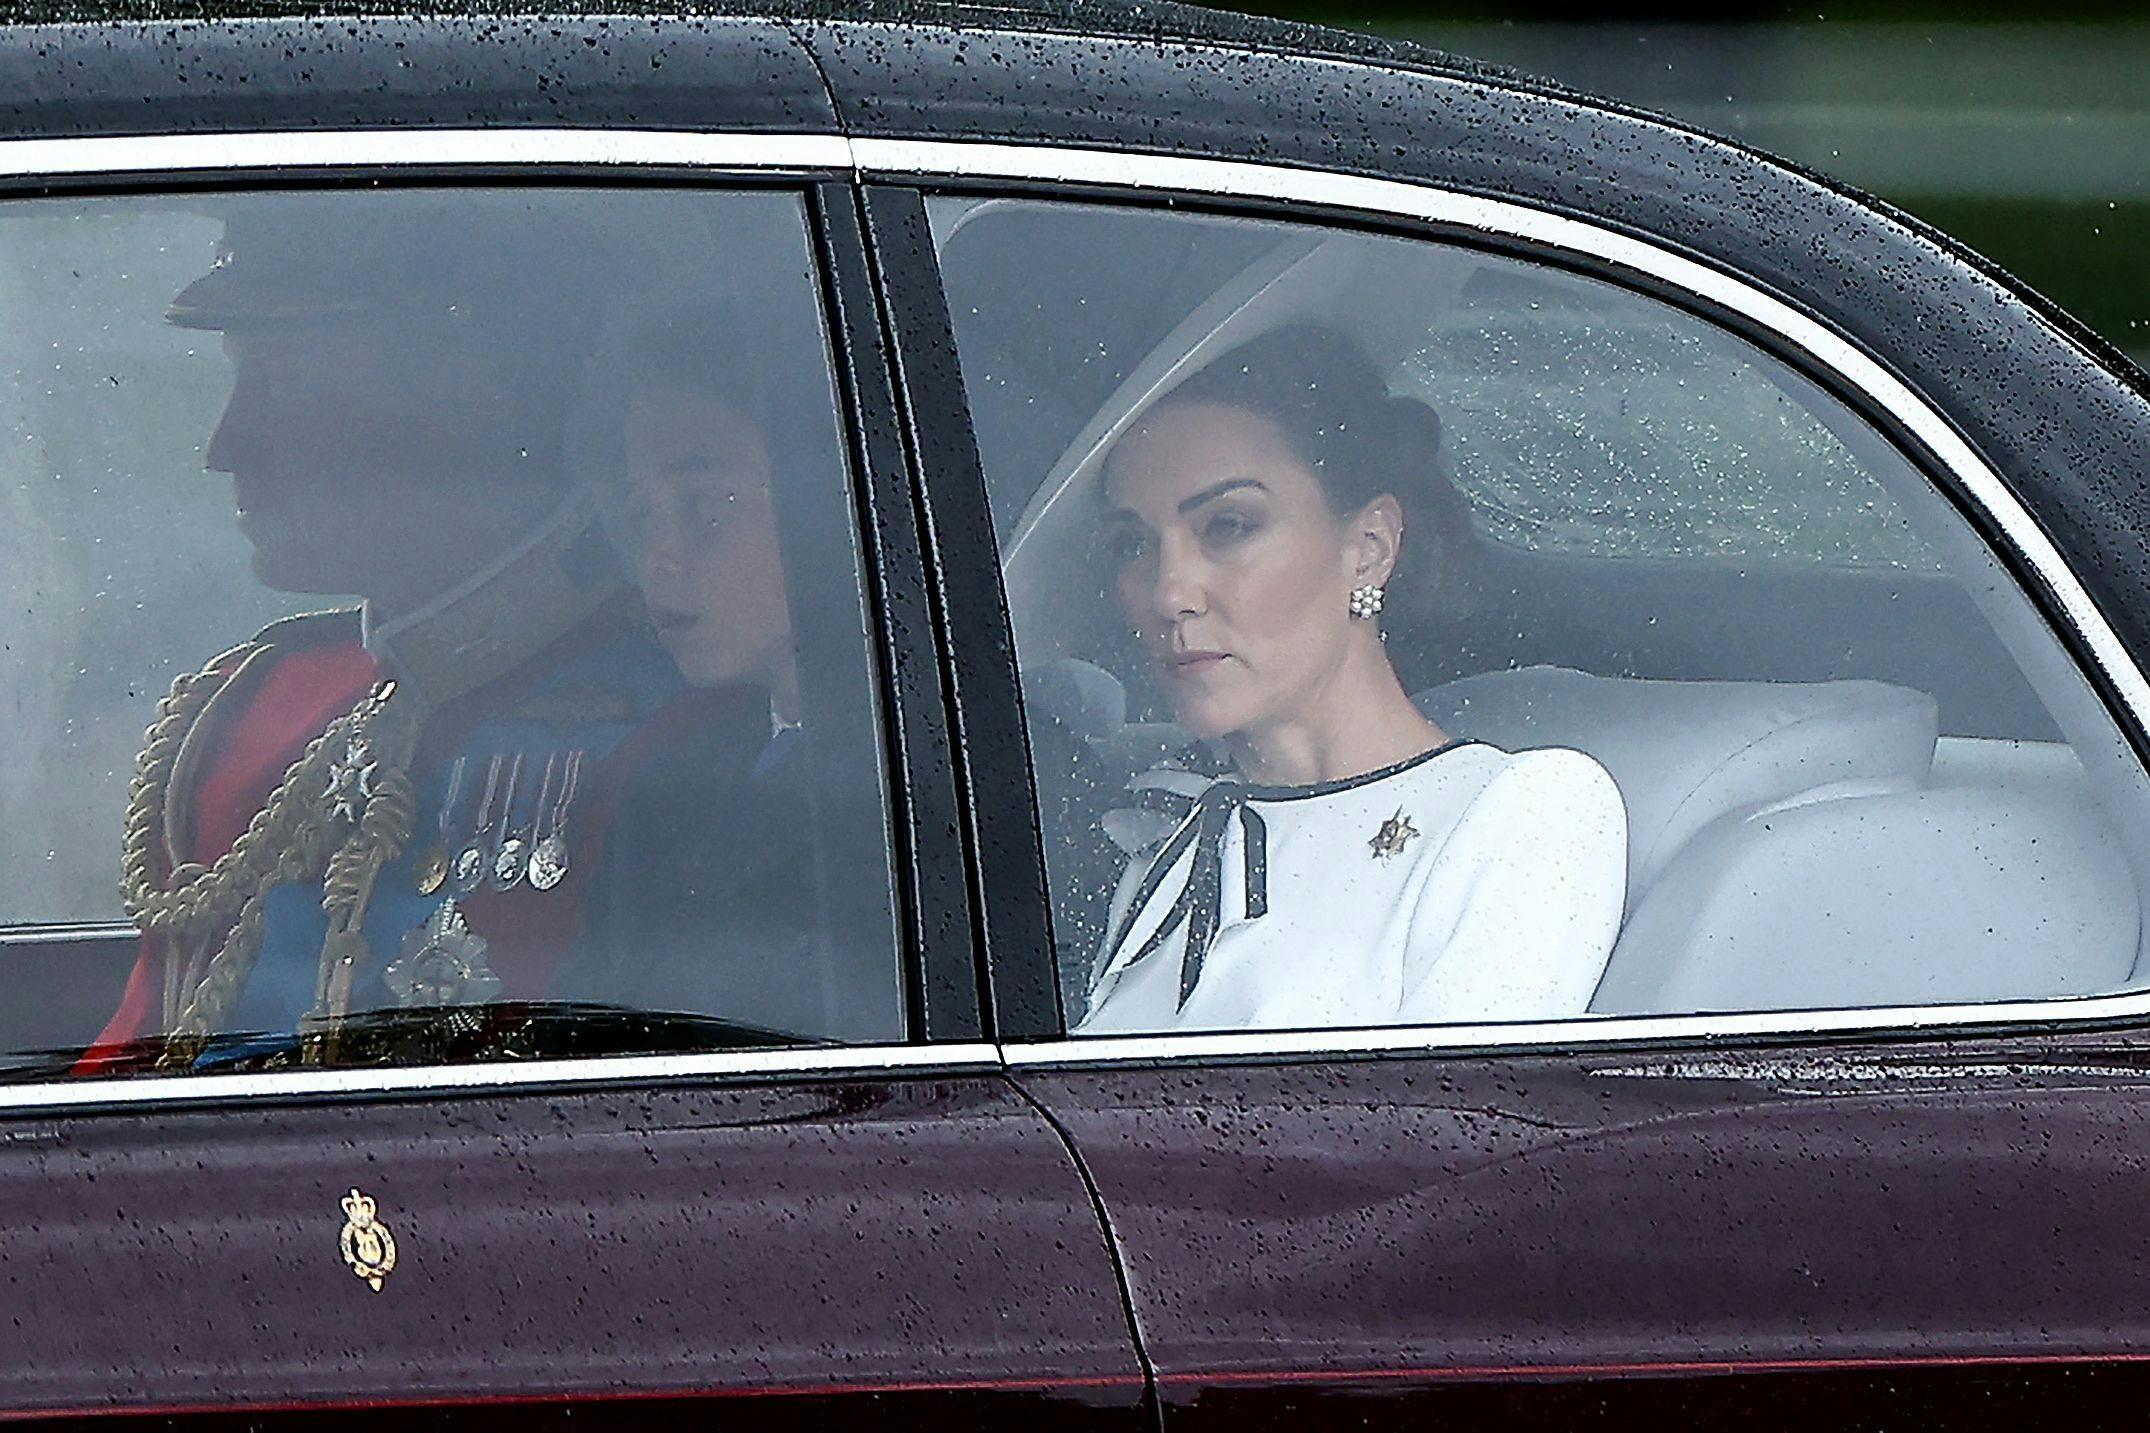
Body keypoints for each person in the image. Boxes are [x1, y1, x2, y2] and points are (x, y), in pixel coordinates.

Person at [77, 195, 692, 1073]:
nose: (226, 444)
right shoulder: (260, 715)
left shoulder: (673, 740)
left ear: (463, 404)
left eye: (283, 385)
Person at [1077, 324, 1628, 1034]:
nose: (1169, 591)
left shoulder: (1520, 814)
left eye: (1229, 525)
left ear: (1368, 548)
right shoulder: (1177, 832)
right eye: (1133, 544)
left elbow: (1453, 1135)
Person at [549, 308, 868, 1040]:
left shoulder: (964, 779)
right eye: (642, 512)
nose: (657, 554)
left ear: (826, 501)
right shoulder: (666, 793)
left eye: (704, 506)